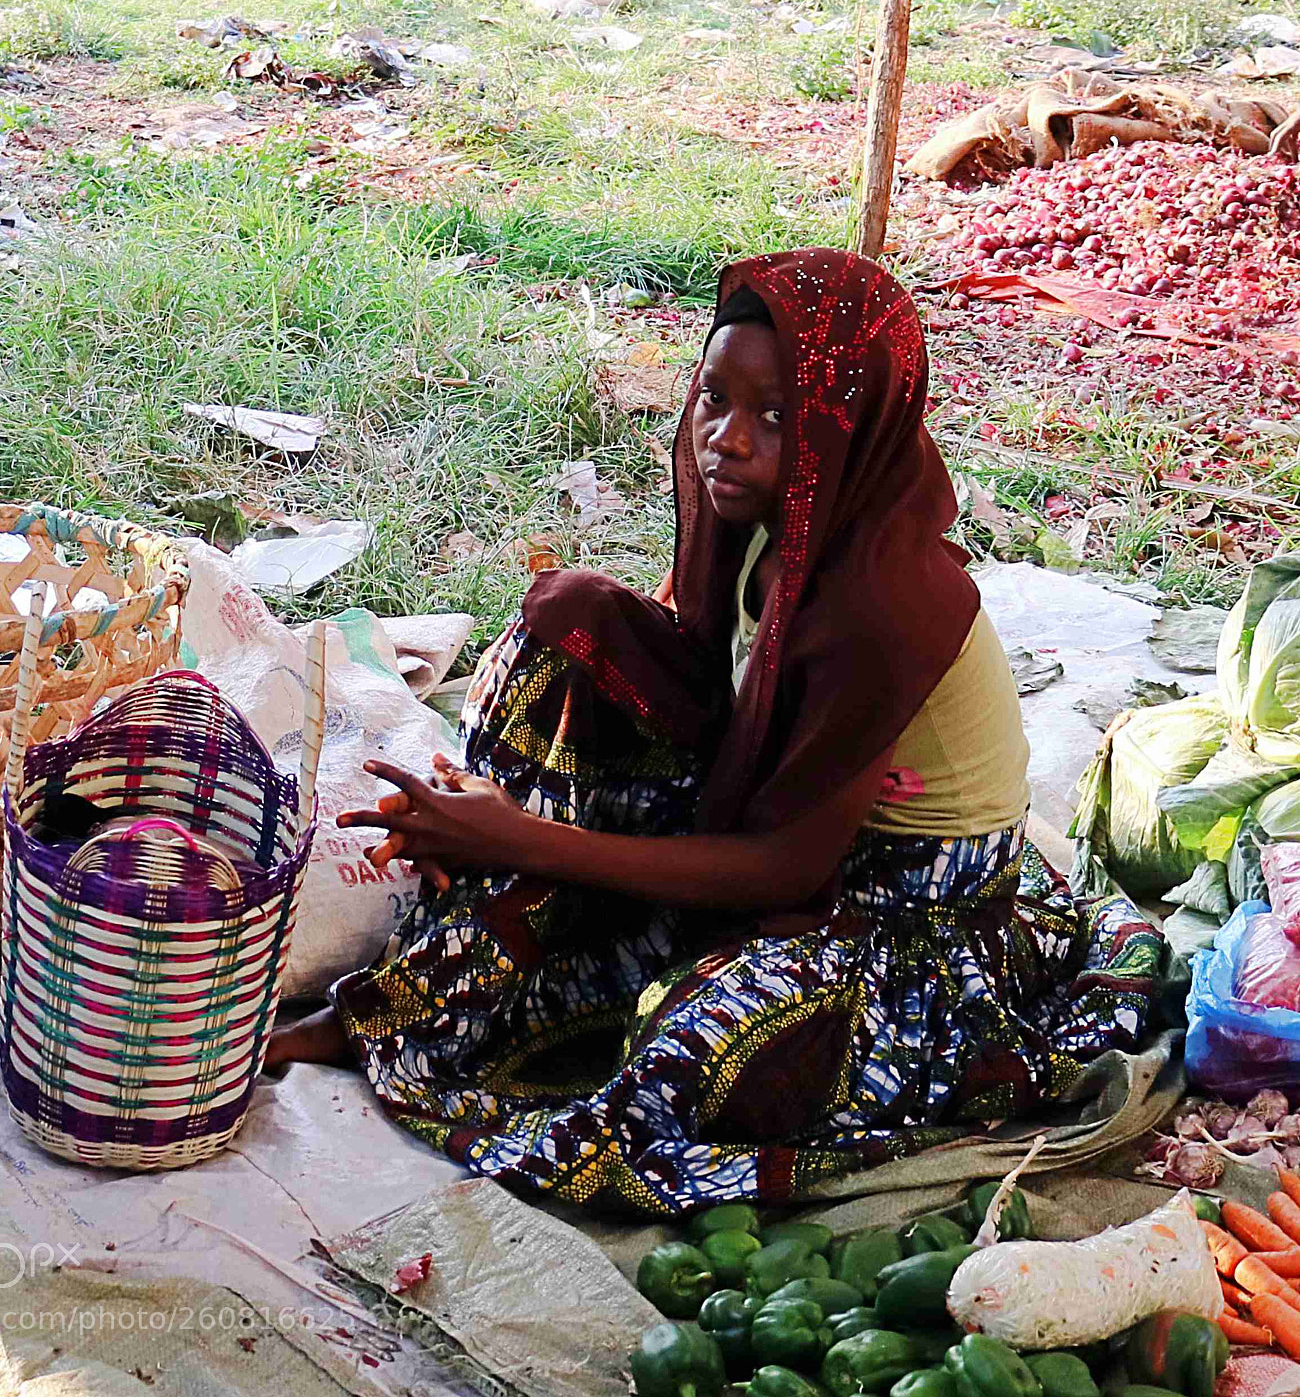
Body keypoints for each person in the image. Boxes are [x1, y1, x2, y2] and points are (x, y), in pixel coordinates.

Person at [265, 248, 1160, 1214]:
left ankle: (494, 923)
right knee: (572, 620)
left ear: (848, 429)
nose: (726, 441)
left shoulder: (884, 602)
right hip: (771, 809)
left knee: (687, 1052)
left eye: (776, 417)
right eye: (712, 400)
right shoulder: (777, 521)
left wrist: (526, 837)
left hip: (908, 911)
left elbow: (786, 872)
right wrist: (529, 810)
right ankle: (396, 1000)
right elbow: (702, 670)